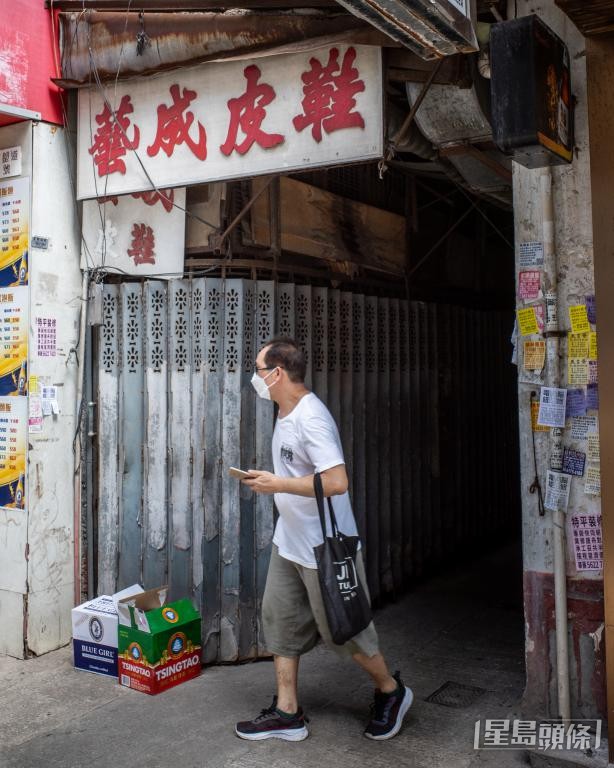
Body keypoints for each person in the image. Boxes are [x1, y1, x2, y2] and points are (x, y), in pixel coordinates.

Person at [235, 337, 413, 742]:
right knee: (279, 622)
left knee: (345, 632)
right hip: (291, 541)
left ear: (277, 374)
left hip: (325, 547)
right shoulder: (285, 411)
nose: (255, 378)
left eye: (259, 370)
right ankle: (287, 712)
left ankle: (391, 691)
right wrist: (272, 480)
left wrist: (277, 482)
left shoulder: (310, 418)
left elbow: (336, 481)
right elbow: (300, 471)